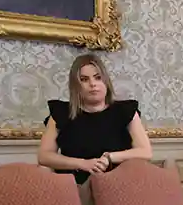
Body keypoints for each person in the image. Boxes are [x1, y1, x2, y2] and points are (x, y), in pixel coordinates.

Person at [38, 54, 152, 188]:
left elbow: (145, 152)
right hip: (74, 188)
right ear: (76, 86)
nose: (92, 84)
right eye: (84, 79)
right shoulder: (61, 113)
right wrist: (83, 164)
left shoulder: (125, 111)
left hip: (119, 187)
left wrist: (109, 157)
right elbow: (44, 156)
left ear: (106, 82)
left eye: (98, 78)